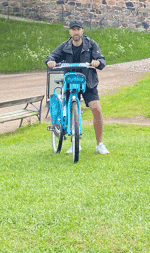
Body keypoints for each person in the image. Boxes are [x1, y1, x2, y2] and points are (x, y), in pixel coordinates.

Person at [45, 20, 109, 154]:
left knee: (96, 109)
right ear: (70, 32)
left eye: (78, 29)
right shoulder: (65, 46)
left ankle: (99, 144)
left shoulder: (91, 44)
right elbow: (52, 56)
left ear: (82, 31)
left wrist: (97, 62)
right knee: (70, 112)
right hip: (70, 82)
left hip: (88, 82)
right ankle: (74, 143)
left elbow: (102, 60)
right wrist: (50, 61)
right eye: (73, 29)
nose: (76, 32)